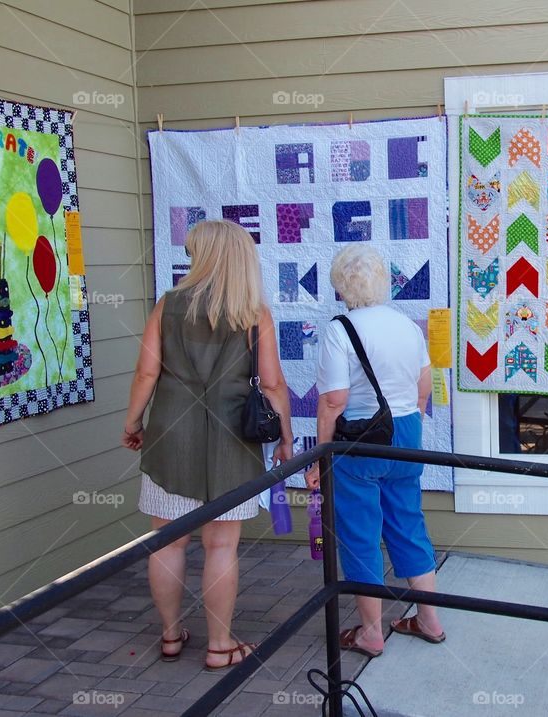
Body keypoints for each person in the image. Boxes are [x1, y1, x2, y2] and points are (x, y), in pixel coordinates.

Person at [121, 220, 292, 669]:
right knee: (221, 548)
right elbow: (273, 385)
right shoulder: (253, 312)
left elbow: (146, 374)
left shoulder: (168, 305)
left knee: (168, 542)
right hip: (232, 441)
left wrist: (133, 421)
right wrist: (286, 441)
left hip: (169, 439)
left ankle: (172, 636)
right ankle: (219, 646)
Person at [305, 244, 443, 658]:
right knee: (408, 523)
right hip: (407, 433)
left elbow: (333, 401)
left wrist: (320, 456)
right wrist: (409, 429)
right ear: (382, 281)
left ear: (340, 286)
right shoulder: (407, 326)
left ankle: (370, 632)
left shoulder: (339, 329)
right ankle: (429, 620)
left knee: (360, 533)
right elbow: (424, 390)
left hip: (360, 442)